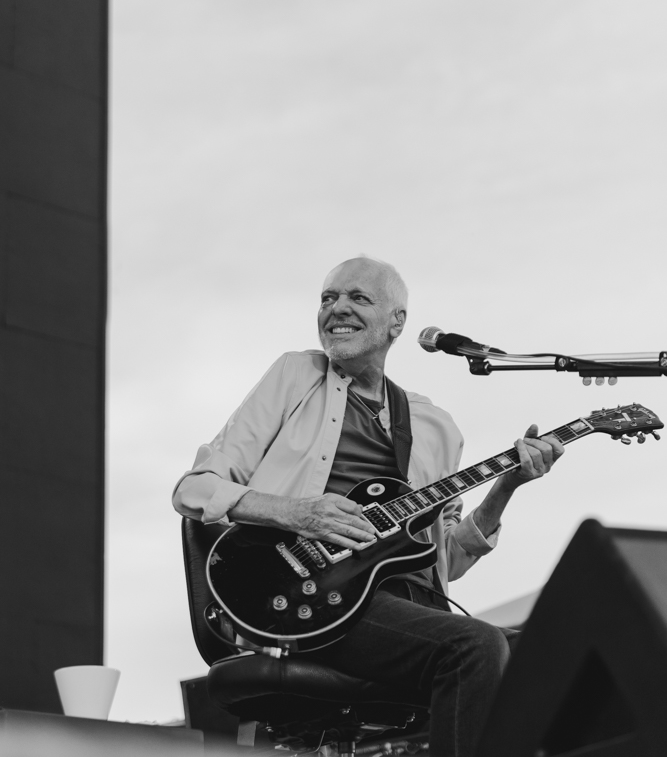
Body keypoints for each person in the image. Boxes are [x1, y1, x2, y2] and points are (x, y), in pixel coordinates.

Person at [173, 257, 564, 757]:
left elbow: (446, 562)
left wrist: (504, 489)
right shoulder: (295, 375)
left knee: (544, 652)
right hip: (311, 595)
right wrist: (297, 513)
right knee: (477, 646)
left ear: (396, 322)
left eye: (358, 298)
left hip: (406, 606)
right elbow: (195, 489)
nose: (337, 308)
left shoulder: (436, 428)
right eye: (327, 298)